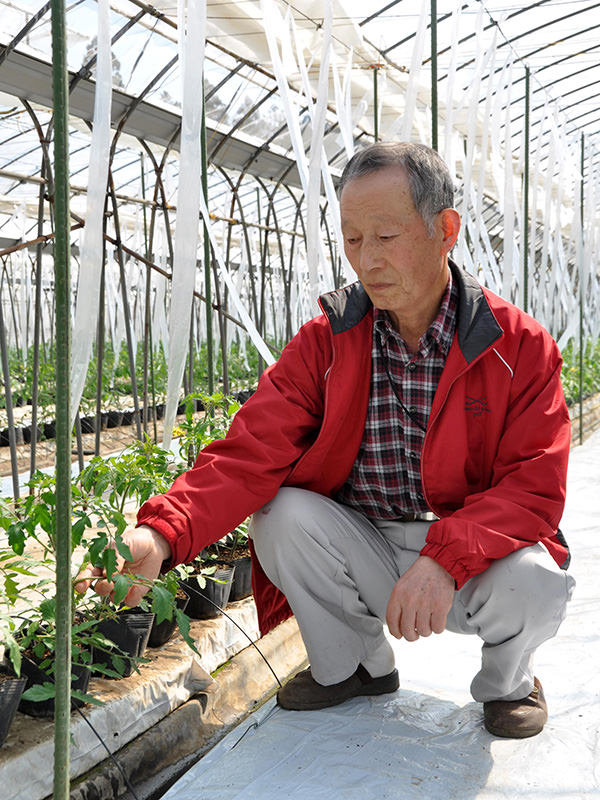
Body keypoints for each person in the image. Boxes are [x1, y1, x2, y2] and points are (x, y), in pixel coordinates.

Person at [77, 142, 575, 739]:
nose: (367, 260)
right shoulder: (327, 343)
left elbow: (532, 487)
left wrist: (446, 560)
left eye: (386, 237)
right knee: (281, 513)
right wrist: (160, 534)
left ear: (446, 230)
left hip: (472, 557)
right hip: (369, 540)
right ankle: (356, 667)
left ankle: (508, 684)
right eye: (353, 239)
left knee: (537, 578)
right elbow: (248, 451)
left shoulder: (517, 346)